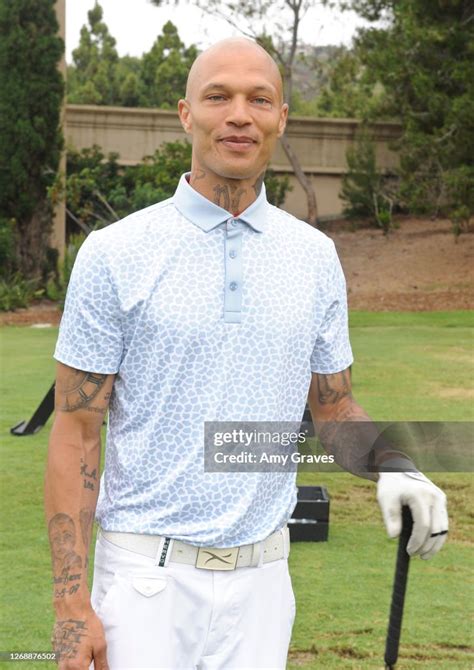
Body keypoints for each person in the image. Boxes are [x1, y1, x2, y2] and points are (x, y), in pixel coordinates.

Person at [44, 37, 448, 670]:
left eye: (259, 99)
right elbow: (75, 432)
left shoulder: (314, 257)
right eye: (218, 96)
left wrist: (395, 463)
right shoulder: (115, 253)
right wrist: (72, 610)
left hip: (264, 586)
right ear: (186, 114)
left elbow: (333, 409)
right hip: (145, 583)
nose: (239, 114)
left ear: (281, 119)